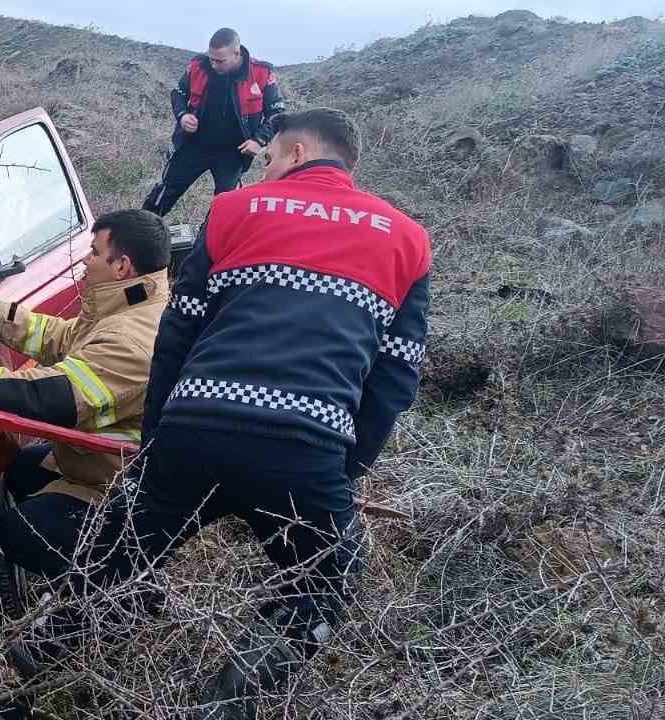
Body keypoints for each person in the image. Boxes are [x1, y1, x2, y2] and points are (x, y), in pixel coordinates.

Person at [103, 108, 430, 719]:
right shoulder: (408, 239)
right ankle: (228, 707)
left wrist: (157, 439)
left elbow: (178, 330)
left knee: (111, 559)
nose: (265, 167)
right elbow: (396, 376)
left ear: (298, 153)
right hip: (306, 451)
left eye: (270, 157)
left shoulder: (233, 209)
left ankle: (26, 675)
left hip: (192, 428)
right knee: (324, 583)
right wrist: (347, 466)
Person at [0, 209, 170, 579]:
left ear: (122, 266)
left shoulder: (133, 340)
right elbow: (67, 339)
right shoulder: (131, 304)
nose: (86, 260)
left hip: (120, 486)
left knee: (22, 533)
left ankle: (94, 598)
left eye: (95, 252)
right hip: (97, 464)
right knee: (17, 469)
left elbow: (50, 397)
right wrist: (1, 316)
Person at [142, 28, 286, 217]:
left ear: (236, 53)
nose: (214, 64)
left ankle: (207, 242)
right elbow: (178, 93)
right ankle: (137, 233)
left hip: (233, 153)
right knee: (165, 192)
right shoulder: (198, 66)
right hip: (192, 146)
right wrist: (183, 115)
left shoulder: (261, 72)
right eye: (211, 59)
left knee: (224, 206)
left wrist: (259, 140)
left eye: (220, 60)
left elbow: (276, 112)